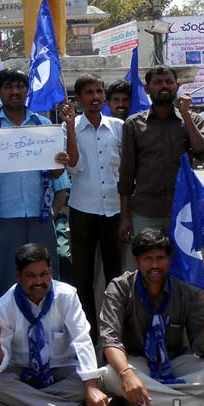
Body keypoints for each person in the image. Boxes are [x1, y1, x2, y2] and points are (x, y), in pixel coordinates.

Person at [99, 229, 204, 406]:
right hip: (135, 362)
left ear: (169, 260)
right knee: (109, 375)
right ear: (137, 262)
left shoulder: (186, 292)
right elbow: (110, 340)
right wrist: (127, 374)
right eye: (148, 259)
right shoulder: (120, 288)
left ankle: (144, 399)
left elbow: (203, 349)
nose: (155, 265)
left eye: (160, 258)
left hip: (175, 362)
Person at [0, 243, 109, 406]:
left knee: (97, 381)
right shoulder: (3, 305)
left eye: (44, 274)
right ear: (18, 277)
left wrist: (91, 387)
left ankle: (19, 403)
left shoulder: (67, 296)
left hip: (59, 368)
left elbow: (82, 339)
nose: (39, 281)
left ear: (51, 273)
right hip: (21, 371)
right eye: (30, 276)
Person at [0, 68, 70, 295]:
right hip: (3, 217)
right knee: (9, 279)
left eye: (19, 87)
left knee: (46, 278)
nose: (14, 92)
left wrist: (60, 163)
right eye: (8, 87)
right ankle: (11, 330)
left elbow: (56, 175)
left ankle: (47, 325)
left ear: (27, 91)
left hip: (40, 215)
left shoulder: (44, 126)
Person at [63, 73, 123, 345]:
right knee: (83, 277)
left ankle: (116, 333)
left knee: (115, 276)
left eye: (99, 92)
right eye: (89, 93)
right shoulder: (69, 127)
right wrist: (70, 128)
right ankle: (88, 334)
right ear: (79, 98)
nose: (96, 97)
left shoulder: (119, 127)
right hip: (82, 211)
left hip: (114, 211)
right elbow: (73, 165)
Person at [118, 66, 204, 241]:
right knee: (149, 266)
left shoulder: (192, 119)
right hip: (146, 213)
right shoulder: (133, 124)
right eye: (158, 83)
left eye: (169, 82)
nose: (164, 86)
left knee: (183, 267)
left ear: (178, 85)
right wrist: (125, 217)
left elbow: (203, 152)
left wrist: (186, 116)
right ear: (147, 88)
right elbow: (126, 175)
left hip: (184, 211)